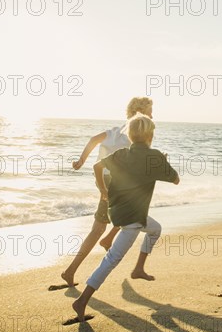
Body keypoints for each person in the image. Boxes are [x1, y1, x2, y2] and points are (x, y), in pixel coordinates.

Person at [72, 113, 180, 321]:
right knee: (112, 259)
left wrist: (103, 191)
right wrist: (163, 163)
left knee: (155, 230)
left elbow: (97, 166)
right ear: (151, 136)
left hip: (118, 211)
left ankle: (139, 268)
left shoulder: (122, 153)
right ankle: (81, 301)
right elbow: (175, 180)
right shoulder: (154, 156)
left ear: (130, 136)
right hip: (133, 218)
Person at [61, 97, 157, 287]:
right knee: (105, 226)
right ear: (140, 113)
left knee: (110, 221)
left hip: (106, 180)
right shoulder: (132, 134)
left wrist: (81, 161)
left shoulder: (117, 131)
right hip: (114, 182)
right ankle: (74, 267)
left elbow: (94, 140)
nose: (152, 115)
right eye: (150, 111)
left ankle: (103, 242)